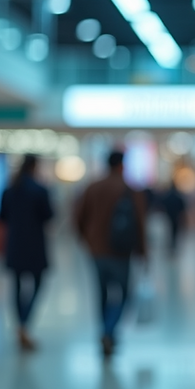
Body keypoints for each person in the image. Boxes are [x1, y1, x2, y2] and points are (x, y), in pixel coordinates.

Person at [73, 150, 146, 357]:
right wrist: (143, 251)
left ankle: (104, 330)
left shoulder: (92, 188)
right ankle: (109, 330)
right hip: (121, 252)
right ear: (122, 166)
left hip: (97, 251)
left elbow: (78, 217)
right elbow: (140, 223)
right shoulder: (130, 190)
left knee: (101, 293)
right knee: (124, 295)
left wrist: (86, 240)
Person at [0, 154, 54, 352]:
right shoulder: (40, 190)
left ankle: (20, 324)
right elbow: (49, 215)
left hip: (15, 243)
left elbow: (1, 216)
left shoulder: (9, 189)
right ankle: (25, 322)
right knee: (37, 283)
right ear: (35, 167)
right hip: (35, 245)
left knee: (17, 285)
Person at [160, 180, 186, 257]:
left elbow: (163, 206)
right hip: (176, 217)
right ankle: (173, 246)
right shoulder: (178, 196)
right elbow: (182, 208)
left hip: (169, 217)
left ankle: (170, 247)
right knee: (175, 232)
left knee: (169, 232)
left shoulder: (167, 196)